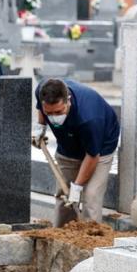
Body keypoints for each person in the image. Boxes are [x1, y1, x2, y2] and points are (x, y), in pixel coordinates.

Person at [35, 78, 120, 227]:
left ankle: (91, 237)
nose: (54, 117)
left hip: (100, 147)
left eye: (58, 112)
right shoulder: (42, 90)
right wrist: (41, 128)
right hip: (68, 145)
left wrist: (77, 187)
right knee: (64, 195)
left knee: (91, 195)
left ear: (68, 100)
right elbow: (40, 109)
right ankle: (61, 233)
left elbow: (93, 156)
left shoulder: (90, 117)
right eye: (49, 113)